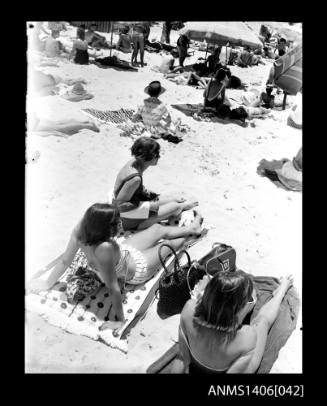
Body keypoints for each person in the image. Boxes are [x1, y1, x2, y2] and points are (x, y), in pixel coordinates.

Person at [27, 203, 204, 333]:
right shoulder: (104, 249)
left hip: (125, 254)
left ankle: (191, 227)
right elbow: (114, 288)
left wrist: (47, 283)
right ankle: (188, 235)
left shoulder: (81, 228)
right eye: (116, 224)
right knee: (168, 244)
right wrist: (120, 321)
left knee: (157, 228)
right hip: (137, 269)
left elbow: (66, 261)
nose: (120, 226)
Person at [172, 270, 294, 373]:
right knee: (262, 322)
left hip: (197, 361)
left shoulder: (188, 308)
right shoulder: (247, 335)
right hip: (226, 368)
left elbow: (183, 357)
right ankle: (280, 292)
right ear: (239, 307)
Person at [112, 137, 199, 230]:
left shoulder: (134, 162)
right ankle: (181, 207)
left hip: (132, 207)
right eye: (156, 154)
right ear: (148, 156)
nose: (159, 157)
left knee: (174, 199)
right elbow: (120, 204)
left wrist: (144, 193)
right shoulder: (135, 179)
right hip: (126, 220)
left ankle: (179, 205)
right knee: (175, 206)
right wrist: (147, 206)